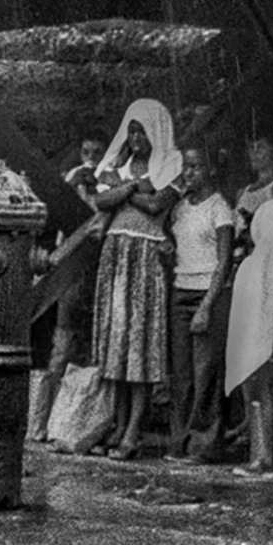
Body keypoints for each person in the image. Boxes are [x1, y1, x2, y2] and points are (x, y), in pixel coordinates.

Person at [88, 98, 183, 460]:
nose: (136, 137)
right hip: (116, 258)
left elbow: (159, 204)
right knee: (118, 342)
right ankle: (118, 423)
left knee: (140, 345)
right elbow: (102, 201)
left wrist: (122, 192)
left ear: (156, 131)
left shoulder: (170, 164)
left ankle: (133, 431)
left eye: (141, 130)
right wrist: (133, 188)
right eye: (131, 130)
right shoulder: (123, 166)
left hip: (145, 259)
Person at [32, 134, 108, 441]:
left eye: (97, 152)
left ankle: (82, 423)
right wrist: (74, 184)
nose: (90, 157)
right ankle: (45, 420)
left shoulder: (107, 184)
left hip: (99, 271)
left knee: (92, 349)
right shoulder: (71, 180)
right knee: (62, 345)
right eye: (86, 151)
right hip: (69, 270)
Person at [166, 145, 237, 462]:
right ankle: (180, 441)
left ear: (209, 169)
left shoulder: (219, 207)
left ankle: (205, 445)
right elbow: (175, 245)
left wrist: (208, 305)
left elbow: (224, 261)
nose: (188, 172)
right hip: (180, 291)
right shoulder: (179, 207)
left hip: (209, 293)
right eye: (185, 167)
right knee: (182, 374)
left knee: (206, 371)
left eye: (195, 166)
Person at [225, 194, 273, 475]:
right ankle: (265, 456)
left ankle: (269, 458)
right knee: (262, 393)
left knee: (266, 392)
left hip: (264, 339)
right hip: (262, 337)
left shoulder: (265, 265)